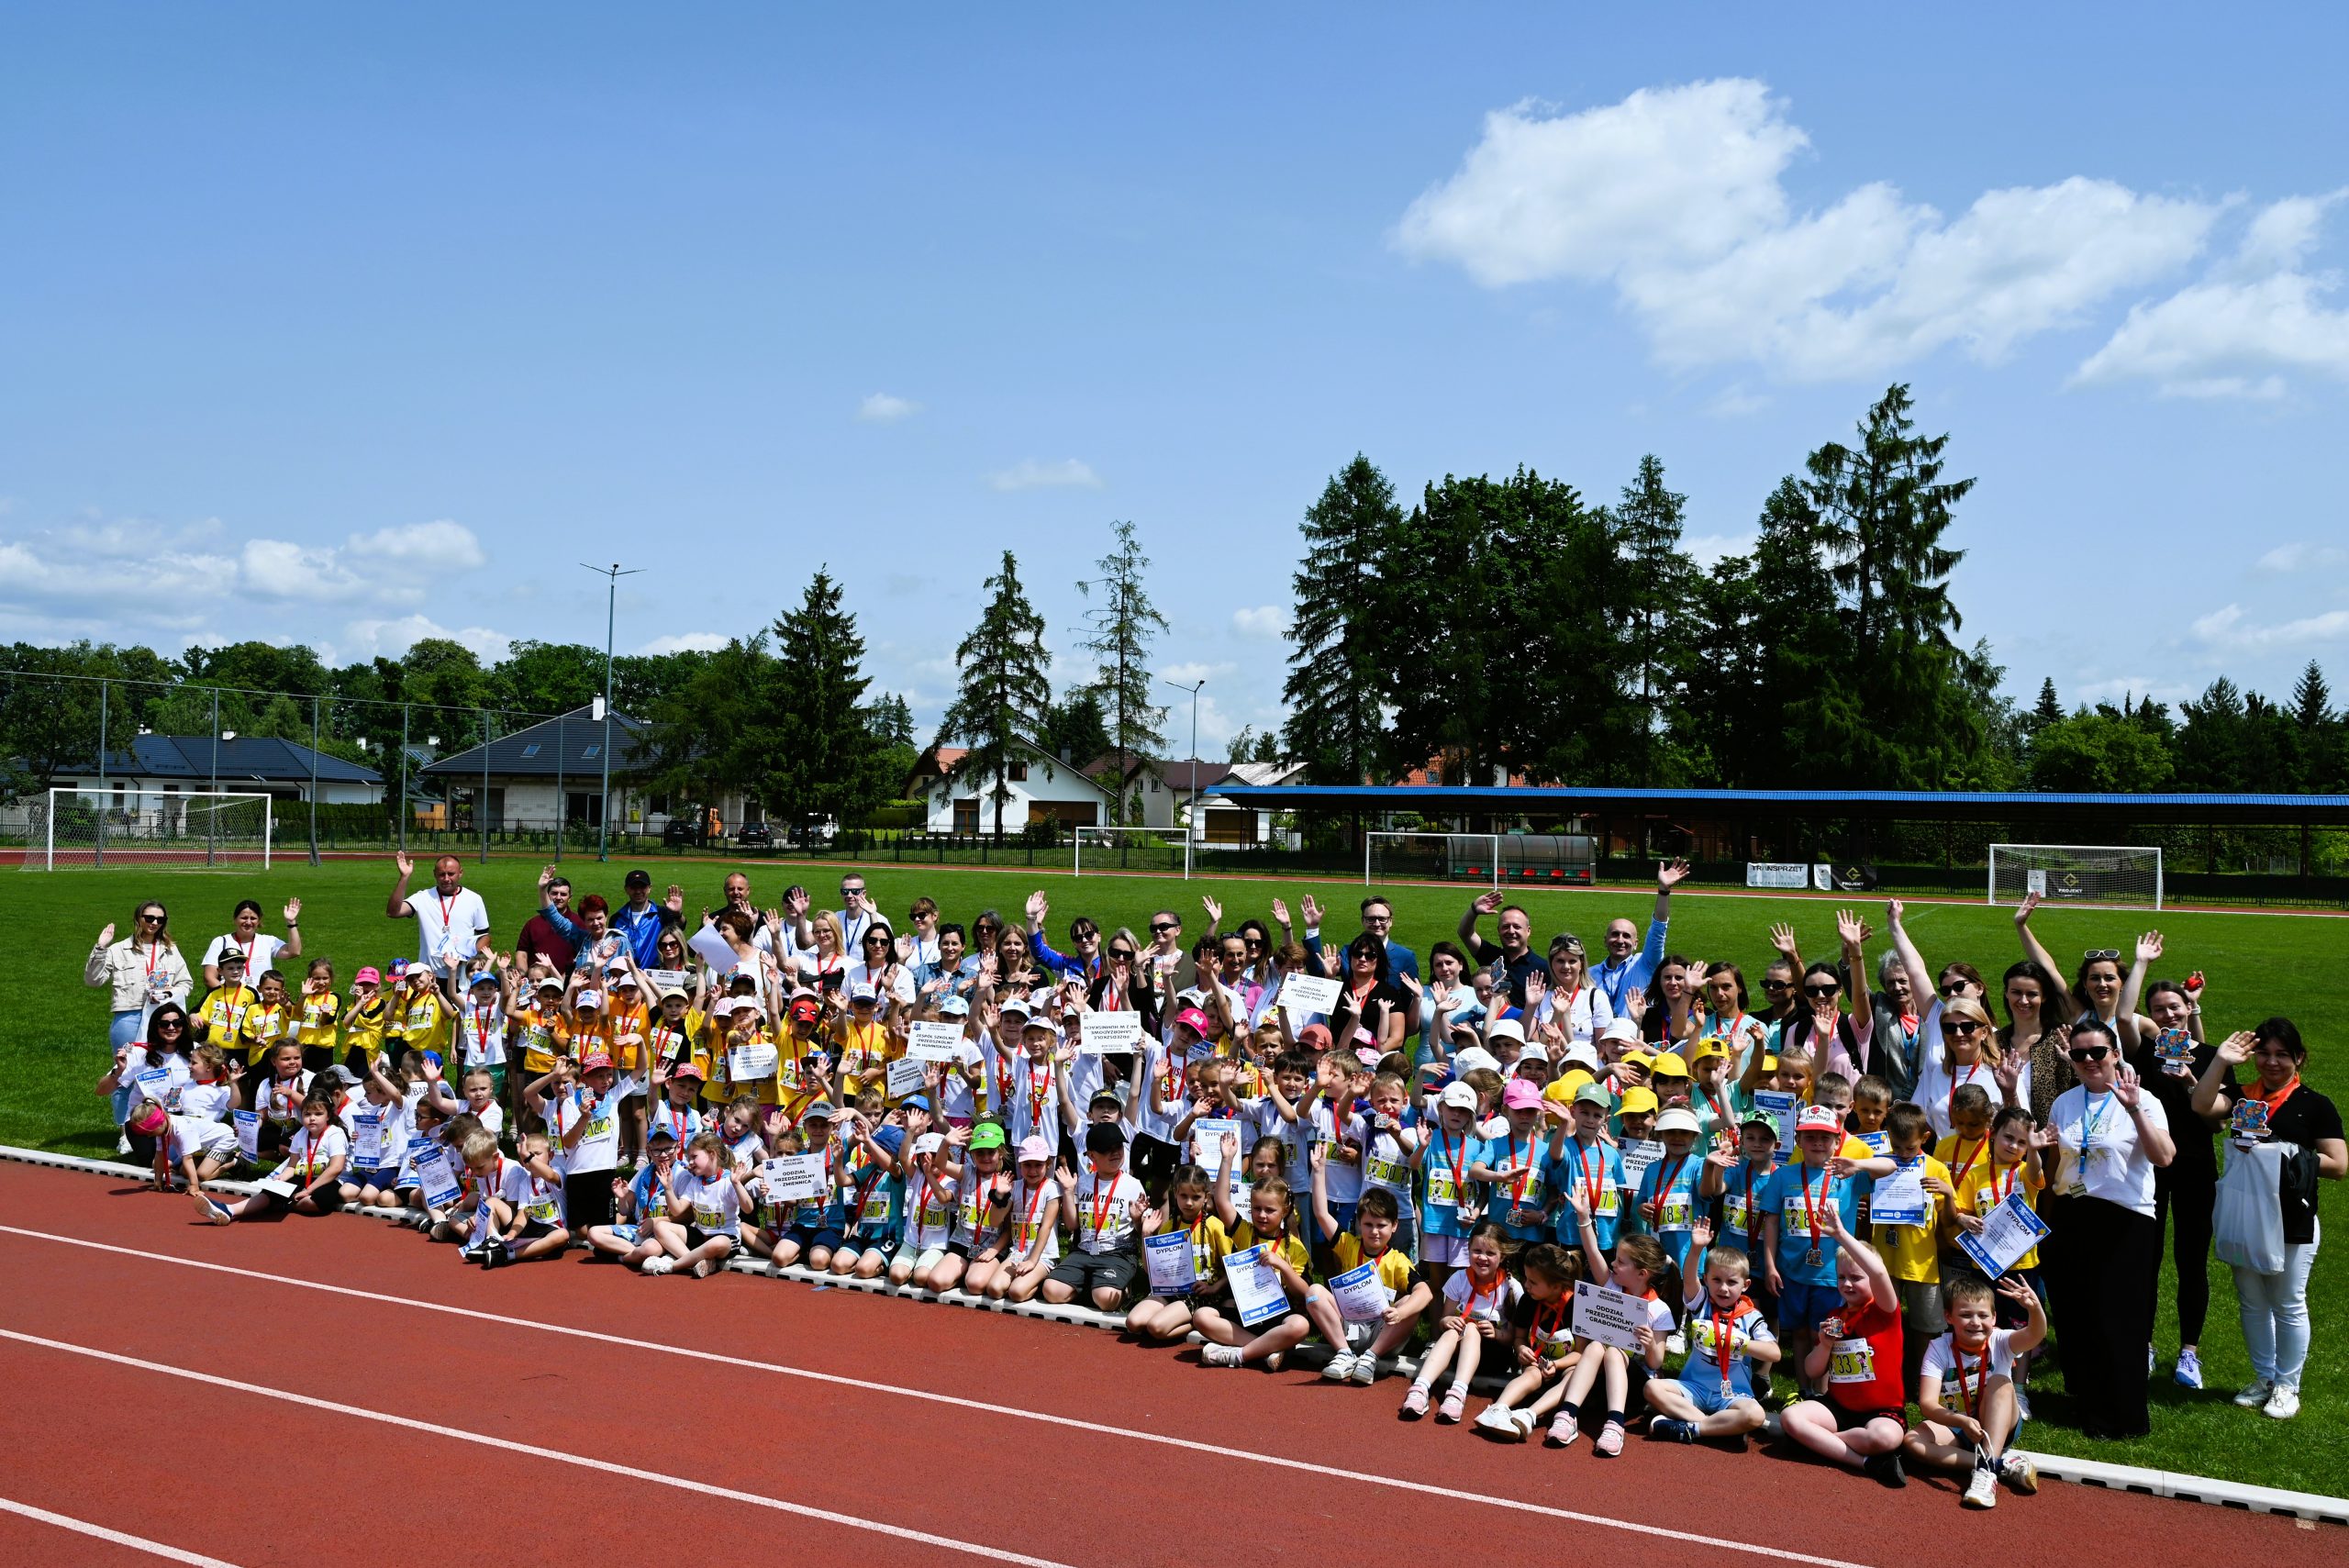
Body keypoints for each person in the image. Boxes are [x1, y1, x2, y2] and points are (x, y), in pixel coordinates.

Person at [2194, 1019, 2345, 1421]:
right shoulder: (2244, 1096)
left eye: (2282, 1055)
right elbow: (2202, 1105)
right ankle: (2264, 1378)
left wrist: (2281, 1151)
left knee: (2289, 1303)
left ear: (2299, 1058)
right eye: (2264, 1053)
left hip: (2291, 1219)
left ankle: (2288, 1386)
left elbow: (2340, 1165)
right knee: (2253, 1302)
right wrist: (2221, 1061)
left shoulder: (2315, 1104)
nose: (2272, 1062)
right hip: (2245, 1213)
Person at [2039, 1018, 2172, 1439]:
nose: (2090, 1061)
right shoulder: (2064, 1103)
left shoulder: (2143, 1099)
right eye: (2080, 1054)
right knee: (2077, 1315)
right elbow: (2058, 1162)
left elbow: (2164, 1157)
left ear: (2115, 1053)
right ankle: (2087, 1403)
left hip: (2125, 1218)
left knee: (2120, 1318)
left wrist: (2133, 1108)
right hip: (2073, 1214)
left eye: (2098, 1052)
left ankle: (2125, 1414)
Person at [1778, 1201, 1909, 1487]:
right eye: (1841, 1278)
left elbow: (1879, 1273)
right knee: (1790, 1417)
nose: (1848, 1284)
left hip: (1881, 1412)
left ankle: (1821, 1444)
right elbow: (1812, 1372)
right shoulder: (1834, 1317)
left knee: (1884, 1437)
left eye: (1856, 1278)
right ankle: (1865, 1462)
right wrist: (1824, 1345)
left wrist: (1840, 1235)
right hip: (1839, 1408)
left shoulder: (1885, 1311)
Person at [1907, 1274, 2046, 1507]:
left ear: (1993, 1318)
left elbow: (2035, 1335)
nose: (1975, 1322)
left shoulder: (2001, 1340)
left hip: (2000, 1424)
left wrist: (2035, 1310)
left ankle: (1987, 1472)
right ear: (1949, 1317)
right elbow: (1928, 1404)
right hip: (1958, 1425)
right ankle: (2000, 1464)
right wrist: (1960, 1421)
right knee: (1912, 1442)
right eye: (1965, 1315)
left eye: (1983, 1315)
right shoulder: (1939, 1347)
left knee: (2000, 1381)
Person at [1588, 860, 1688, 1013]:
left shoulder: (1645, 964)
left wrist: (1663, 891)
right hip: (1603, 1036)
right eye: (1615, 934)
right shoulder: (1589, 975)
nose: (1620, 940)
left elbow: (1658, 932)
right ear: (1605, 941)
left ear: (1635, 943)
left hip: (1637, 1035)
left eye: (1626, 936)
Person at [387, 851, 491, 979]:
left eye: (451, 874)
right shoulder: (423, 897)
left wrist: (469, 955)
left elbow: (484, 936)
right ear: (435, 874)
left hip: (462, 976)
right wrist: (404, 877)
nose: (446, 879)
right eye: (442, 874)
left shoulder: (474, 899)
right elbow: (393, 912)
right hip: (429, 977)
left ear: (460, 873)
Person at [199, 897, 302, 989]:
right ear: (235, 919)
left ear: (259, 921)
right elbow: (209, 978)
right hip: (232, 1002)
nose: (248, 922)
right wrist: (231, 997)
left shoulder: (267, 941)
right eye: (244, 918)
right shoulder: (221, 942)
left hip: (262, 1002)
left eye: (253, 918)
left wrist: (291, 922)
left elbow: (294, 952)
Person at [515, 870, 579, 972]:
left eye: (563, 894)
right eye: (554, 893)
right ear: (547, 895)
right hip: (536, 982)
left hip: (566, 982)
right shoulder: (532, 924)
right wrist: (523, 976)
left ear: (570, 898)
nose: (558, 897)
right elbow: (522, 953)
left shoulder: (578, 923)